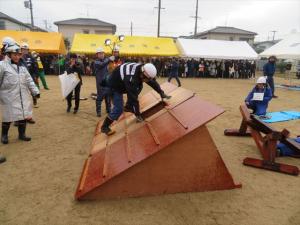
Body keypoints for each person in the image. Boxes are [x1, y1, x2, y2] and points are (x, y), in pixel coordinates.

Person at [101, 62, 170, 135]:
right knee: (119, 108)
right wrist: (138, 114)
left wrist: (161, 92)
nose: (147, 81)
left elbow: (151, 81)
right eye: (146, 79)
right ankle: (105, 127)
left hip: (120, 81)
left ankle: (128, 107)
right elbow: (133, 97)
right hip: (113, 86)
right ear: (143, 75)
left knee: (139, 86)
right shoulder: (131, 79)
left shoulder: (142, 69)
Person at [0, 43, 40, 144]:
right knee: (8, 116)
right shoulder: (2, 66)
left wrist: (35, 92)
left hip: (23, 95)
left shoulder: (23, 68)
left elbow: (29, 81)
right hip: (8, 96)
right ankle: (4, 135)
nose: (17, 57)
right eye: (14, 55)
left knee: (23, 115)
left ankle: (22, 134)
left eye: (19, 55)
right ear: (8, 55)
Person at [94, 47, 114, 117]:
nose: (101, 55)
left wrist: (113, 58)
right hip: (100, 82)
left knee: (108, 97)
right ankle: (98, 112)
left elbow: (110, 65)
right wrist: (109, 59)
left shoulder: (106, 60)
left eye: (102, 53)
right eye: (99, 53)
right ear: (97, 55)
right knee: (100, 97)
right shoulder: (96, 62)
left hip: (107, 81)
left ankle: (108, 110)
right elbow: (102, 65)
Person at [20, 43, 39, 110]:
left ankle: (35, 101)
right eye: (23, 49)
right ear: (21, 50)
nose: (25, 51)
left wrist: (36, 76)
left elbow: (36, 67)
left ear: (28, 50)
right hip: (21, 76)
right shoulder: (18, 57)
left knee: (32, 89)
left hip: (31, 75)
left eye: (26, 49)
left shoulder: (32, 57)